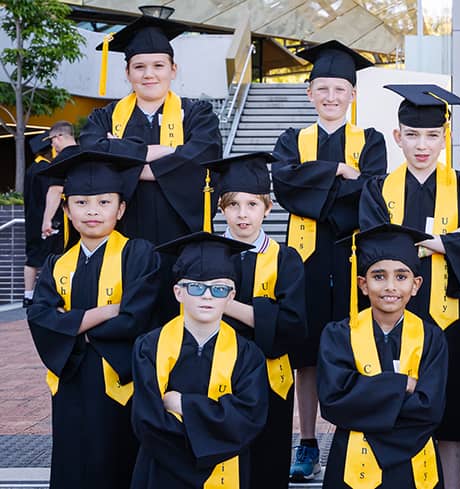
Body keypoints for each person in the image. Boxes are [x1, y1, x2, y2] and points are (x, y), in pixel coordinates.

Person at [359, 84, 460, 489]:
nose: (422, 145)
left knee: (452, 414)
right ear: (397, 136)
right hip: (391, 321)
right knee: (394, 410)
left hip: (449, 320)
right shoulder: (377, 188)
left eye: (432, 135)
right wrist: (448, 241)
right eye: (413, 135)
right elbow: (376, 249)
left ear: (445, 137)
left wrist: (414, 241)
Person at [270, 40, 387, 480]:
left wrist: (314, 182)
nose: (331, 97)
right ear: (309, 93)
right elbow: (285, 186)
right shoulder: (292, 140)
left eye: (340, 89)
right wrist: (338, 172)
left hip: (354, 255)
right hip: (305, 259)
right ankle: (306, 442)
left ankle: (350, 436)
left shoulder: (370, 140)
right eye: (322, 88)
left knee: (356, 347)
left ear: (353, 94)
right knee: (305, 355)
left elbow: (371, 191)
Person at [26, 150, 162, 489]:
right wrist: (105, 311)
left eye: (103, 202)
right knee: (73, 463)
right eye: (82, 203)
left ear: (120, 209)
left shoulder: (138, 254)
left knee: (119, 462)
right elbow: (40, 318)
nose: (92, 211)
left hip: (121, 384)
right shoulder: (57, 264)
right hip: (71, 384)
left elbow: (135, 319)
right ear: (67, 211)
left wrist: (71, 326)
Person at [201, 152, 307, 488]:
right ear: (221, 208)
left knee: (267, 465)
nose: (243, 214)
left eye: (252, 204)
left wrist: (224, 304)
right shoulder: (206, 256)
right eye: (233, 205)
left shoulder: (286, 259)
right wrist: (261, 312)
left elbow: (291, 327)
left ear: (268, 208)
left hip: (270, 380)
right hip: (217, 379)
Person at [130, 232, 269, 489]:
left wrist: (183, 404)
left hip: (226, 472)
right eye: (196, 287)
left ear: (231, 296)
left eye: (219, 289)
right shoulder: (149, 347)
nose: (207, 296)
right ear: (178, 293)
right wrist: (206, 439)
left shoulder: (248, 355)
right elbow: (146, 420)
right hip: (161, 471)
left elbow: (248, 419)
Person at [317, 223, 449, 489]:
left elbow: (430, 408)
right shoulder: (338, 335)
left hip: (415, 469)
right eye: (379, 276)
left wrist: (365, 396)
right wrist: (403, 385)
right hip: (352, 467)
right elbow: (334, 402)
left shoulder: (432, 337)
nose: (390, 286)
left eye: (401, 277)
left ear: (416, 285)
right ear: (363, 285)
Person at [80, 15, 221, 244]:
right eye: (139, 67)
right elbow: (91, 153)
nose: (148, 74)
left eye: (158, 65)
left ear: (173, 70)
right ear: (127, 73)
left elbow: (203, 156)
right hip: (122, 238)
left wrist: (123, 158)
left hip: (182, 238)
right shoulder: (105, 117)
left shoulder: (197, 115)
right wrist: (167, 151)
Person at [23, 131, 63, 307]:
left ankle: (28, 295)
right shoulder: (46, 170)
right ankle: (50, 294)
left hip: (32, 219)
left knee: (32, 257)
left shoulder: (31, 169)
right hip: (48, 221)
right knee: (51, 258)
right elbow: (53, 194)